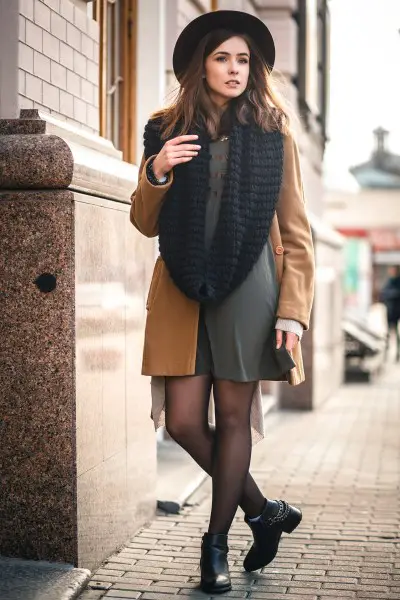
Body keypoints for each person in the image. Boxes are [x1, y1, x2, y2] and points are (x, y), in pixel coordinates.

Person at [130, 10, 315, 595]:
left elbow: (297, 228)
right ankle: (264, 511)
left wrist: (293, 310)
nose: (235, 70)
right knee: (185, 421)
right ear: (200, 65)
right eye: (222, 58)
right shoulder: (164, 127)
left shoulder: (271, 131)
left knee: (233, 418)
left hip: (251, 287)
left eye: (244, 60)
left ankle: (216, 546)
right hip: (183, 288)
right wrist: (157, 170)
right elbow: (141, 221)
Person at [380, 266, 400, 362]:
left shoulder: (397, 282)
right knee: (388, 333)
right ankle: (386, 353)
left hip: (396, 311)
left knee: (396, 333)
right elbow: (384, 294)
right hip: (390, 311)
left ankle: (397, 353)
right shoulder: (389, 282)